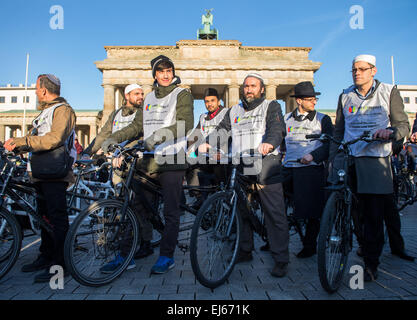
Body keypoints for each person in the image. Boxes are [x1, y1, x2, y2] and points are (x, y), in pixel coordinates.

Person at [102, 55, 194, 274]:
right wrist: (114, 138)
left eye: (169, 70)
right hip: (149, 160)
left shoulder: (182, 94)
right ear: (155, 74)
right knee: (134, 207)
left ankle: (166, 256)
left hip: (172, 158)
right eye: (161, 71)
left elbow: (185, 124)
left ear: (173, 72)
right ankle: (126, 255)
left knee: (171, 211)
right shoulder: (150, 97)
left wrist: (158, 136)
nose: (165, 74)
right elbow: (136, 126)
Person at [198, 73, 289, 277]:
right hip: (240, 163)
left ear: (262, 89)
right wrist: (207, 142)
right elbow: (222, 130)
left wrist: (270, 142)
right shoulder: (234, 110)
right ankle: (245, 249)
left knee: (274, 213)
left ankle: (281, 258)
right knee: (240, 210)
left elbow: (277, 128)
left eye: (253, 86)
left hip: (265, 162)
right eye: (246, 86)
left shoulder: (271, 106)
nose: (248, 89)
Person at [330, 54, 410, 281]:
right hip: (351, 156)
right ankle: (362, 243)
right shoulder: (345, 95)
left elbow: (402, 124)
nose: (357, 73)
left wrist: (392, 133)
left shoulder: (388, 91)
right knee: (354, 211)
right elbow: (339, 130)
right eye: (354, 69)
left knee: (375, 214)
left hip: (376, 158)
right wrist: (332, 158)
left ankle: (371, 264)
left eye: (363, 69)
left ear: (373, 71)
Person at [4, 74, 76, 283]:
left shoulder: (63, 110)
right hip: (41, 171)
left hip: (55, 171)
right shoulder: (45, 112)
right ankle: (46, 256)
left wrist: (23, 140)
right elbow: (38, 139)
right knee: (43, 217)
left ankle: (61, 265)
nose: (35, 92)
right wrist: (20, 146)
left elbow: (55, 138)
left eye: (36, 88)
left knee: (56, 218)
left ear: (44, 90)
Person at [282, 81, 333, 258]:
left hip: (310, 169)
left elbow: (330, 144)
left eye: (315, 99)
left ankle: (309, 245)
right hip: (288, 168)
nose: (314, 102)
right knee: (278, 206)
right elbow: (280, 142)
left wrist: (314, 155)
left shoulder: (323, 119)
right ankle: (275, 240)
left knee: (312, 211)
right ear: (299, 101)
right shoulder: (286, 118)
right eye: (310, 99)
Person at [186, 88, 229, 208]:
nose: (209, 104)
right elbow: (195, 135)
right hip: (206, 155)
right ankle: (199, 196)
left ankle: (221, 201)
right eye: (206, 101)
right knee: (187, 163)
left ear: (219, 101)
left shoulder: (227, 113)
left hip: (222, 156)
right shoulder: (203, 117)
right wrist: (186, 149)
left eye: (212, 100)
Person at [83, 84, 144, 157]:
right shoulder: (116, 114)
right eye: (136, 94)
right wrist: (87, 153)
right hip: (115, 156)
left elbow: (135, 129)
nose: (141, 97)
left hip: (133, 155)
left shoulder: (144, 112)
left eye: (142, 94)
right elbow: (103, 135)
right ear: (127, 96)